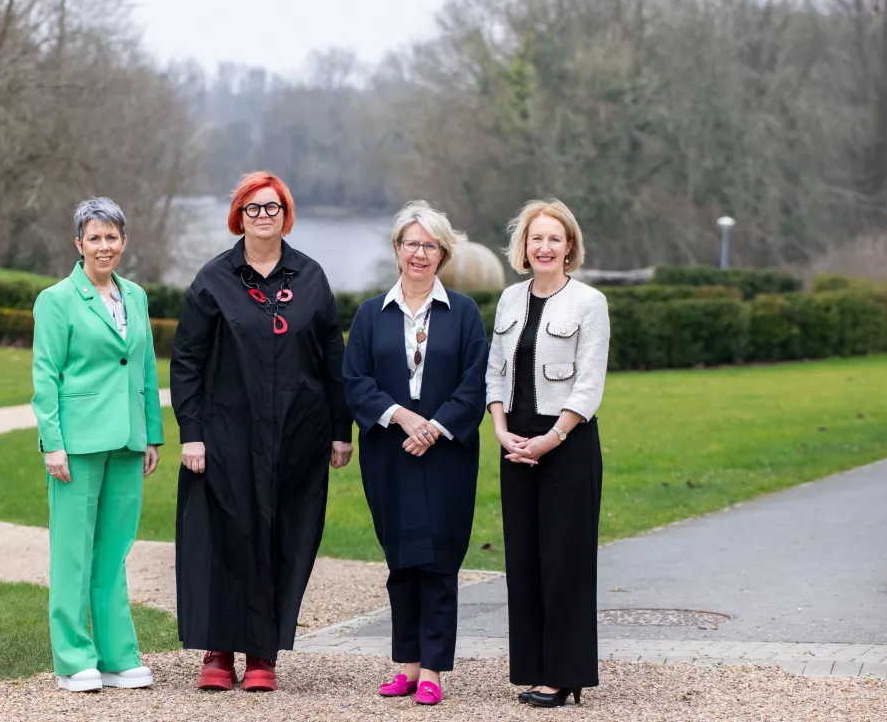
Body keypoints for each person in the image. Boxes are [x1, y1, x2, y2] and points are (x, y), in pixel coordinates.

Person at [170, 172, 354, 692]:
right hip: (227, 434)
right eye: (254, 209)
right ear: (239, 217)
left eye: (273, 208)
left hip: (297, 434)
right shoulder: (213, 280)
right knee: (225, 537)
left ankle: (262, 655)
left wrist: (342, 429)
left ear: (286, 214)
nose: (264, 216)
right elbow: (187, 360)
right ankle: (218, 651)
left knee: (280, 537)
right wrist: (192, 432)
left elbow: (332, 360)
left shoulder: (312, 278)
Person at [342, 200, 488, 707]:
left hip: (447, 455)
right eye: (411, 244)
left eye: (429, 245)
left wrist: (435, 428)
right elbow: (355, 381)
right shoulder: (369, 314)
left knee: (440, 560)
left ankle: (432, 671)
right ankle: (405, 667)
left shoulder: (464, 313)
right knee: (401, 561)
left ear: (442, 252)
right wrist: (403, 417)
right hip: (389, 452)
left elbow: (476, 382)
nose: (419, 254)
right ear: (397, 249)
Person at [30, 197, 164, 692]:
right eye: (95, 237)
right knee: (73, 552)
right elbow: (46, 374)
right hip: (78, 444)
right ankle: (72, 658)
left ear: (123, 243)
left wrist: (151, 433)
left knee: (114, 551)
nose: (104, 246)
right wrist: (53, 443)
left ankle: (118, 655)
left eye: (112, 237)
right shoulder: (57, 299)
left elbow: (146, 368)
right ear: (78, 244)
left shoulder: (136, 296)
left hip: (128, 441)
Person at [485, 198, 610, 708]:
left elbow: (588, 384)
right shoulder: (509, 301)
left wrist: (551, 439)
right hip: (515, 444)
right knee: (525, 561)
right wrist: (500, 430)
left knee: (565, 560)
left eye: (554, 238)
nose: (544, 246)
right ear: (524, 246)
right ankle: (534, 669)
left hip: (567, 444)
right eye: (536, 238)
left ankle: (565, 674)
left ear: (569, 247)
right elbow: (495, 371)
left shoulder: (589, 302)